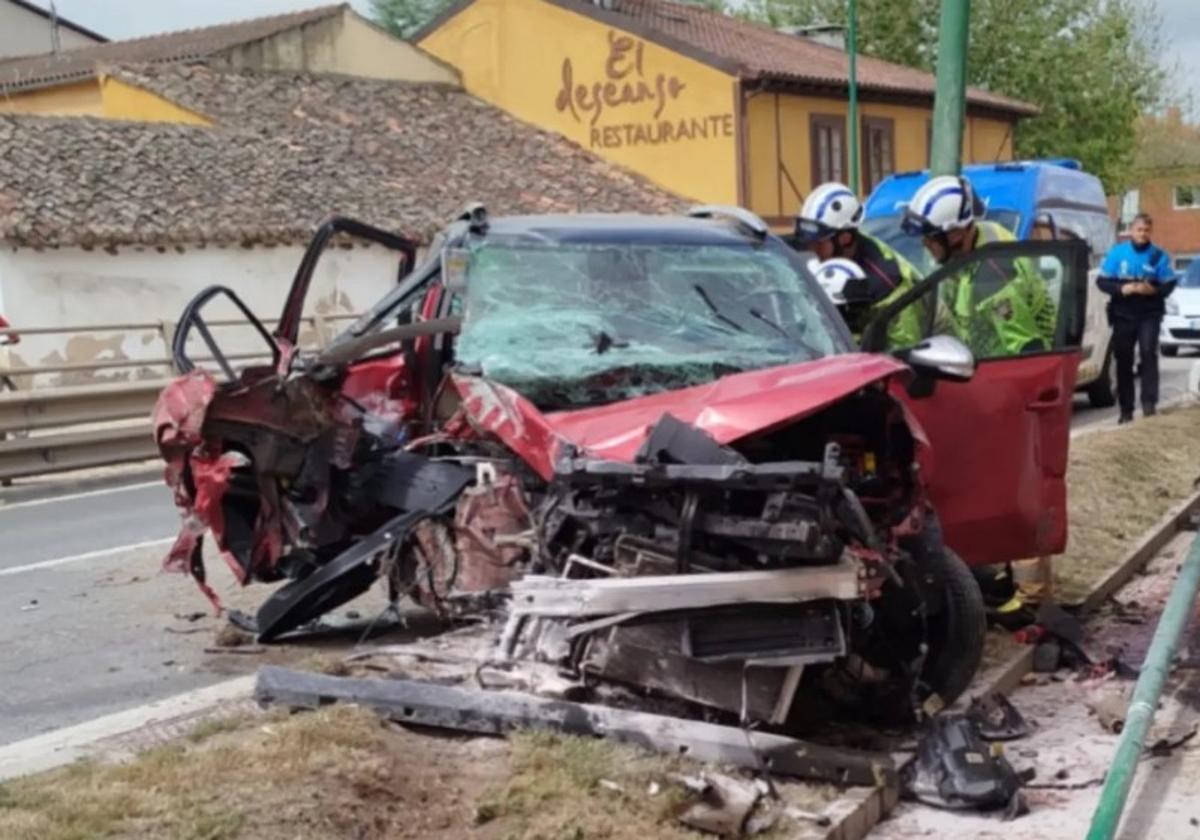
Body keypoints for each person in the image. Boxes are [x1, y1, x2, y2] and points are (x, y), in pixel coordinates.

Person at [901, 175, 1056, 357]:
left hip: (1005, 372)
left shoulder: (994, 274)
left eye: (931, 236)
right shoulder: (965, 254)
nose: (924, 244)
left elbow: (1025, 350)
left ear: (956, 234)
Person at [794, 182, 924, 348]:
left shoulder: (886, 280)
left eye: (819, 244)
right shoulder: (824, 264)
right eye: (809, 243)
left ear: (845, 239)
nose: (813, 251)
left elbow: (904, 346)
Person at [1097, 213, 1176, 423]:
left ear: (1151, 232)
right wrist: (1122, 288)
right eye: (1139, 230)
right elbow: (1102, 282)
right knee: (1124, 359)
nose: (1142, 234)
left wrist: (1152, 290)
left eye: (1146, 231)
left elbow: (1168, 284)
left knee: (1148, 352)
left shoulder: (1159, 255)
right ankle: (1126, 410)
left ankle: (1149, 405)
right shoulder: (1118, 253)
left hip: (1149, 312)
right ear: (1131, 231)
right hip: (1123, 312)